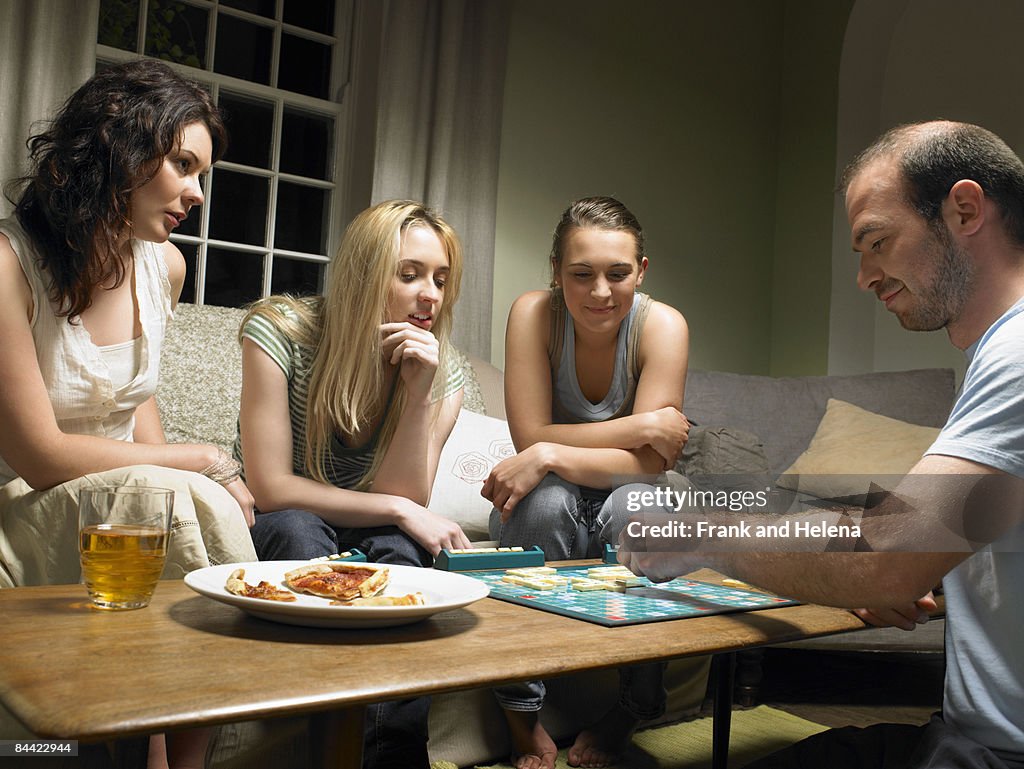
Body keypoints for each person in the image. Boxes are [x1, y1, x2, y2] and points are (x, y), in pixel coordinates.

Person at [620, 121, 1024, 769]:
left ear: (965, 210)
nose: (866, 276)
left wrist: (695, 535)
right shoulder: (998, 353)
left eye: (877, 241)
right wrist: (932, 574)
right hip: (966, 733)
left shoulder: (1016, 352)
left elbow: (887, 550)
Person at [0, 60, 256, 769]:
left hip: (114, 509)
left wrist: (192, 484)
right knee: (181, 492)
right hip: (19, 505)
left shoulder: (164, 265)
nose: (197, 192)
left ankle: (181, 755)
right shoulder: (7, 263)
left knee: (183, 501)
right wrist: (200, 463)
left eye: (201, 172)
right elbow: (40, 455)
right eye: (182, 164)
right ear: (118, 146)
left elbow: (135, 396)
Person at [235, 199, 471, 768]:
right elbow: (271, 487)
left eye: (440, 280)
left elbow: (407, 498)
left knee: (403, 550)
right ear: (366, 274)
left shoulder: (445, 370)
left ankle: (395, 758)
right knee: (299, 531)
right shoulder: (281, 331)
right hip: (284, 514)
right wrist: (396, 506)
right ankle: (318, 749)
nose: (430, 295)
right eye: (410, 274)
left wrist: (418, 394)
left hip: (372, 522)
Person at [482, 196, 691, 769]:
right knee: (543, 503)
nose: (600, 291)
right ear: (555, 271)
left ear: (641, 272)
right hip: (556, 491)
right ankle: (523, 718)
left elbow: (649, 467)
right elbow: (529, 438)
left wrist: (552, 447)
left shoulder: (663, 325)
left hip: (633, 492)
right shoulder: (532, 314)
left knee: (638, 507)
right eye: (581, 274)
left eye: (618, 274)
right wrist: (642, 425)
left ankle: (633, 705)